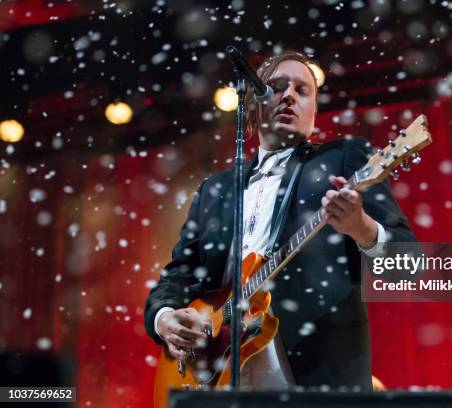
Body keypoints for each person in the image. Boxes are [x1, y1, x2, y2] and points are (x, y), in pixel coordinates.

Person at [144, 51, 417, 391]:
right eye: (275, 87)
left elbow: (408, 264)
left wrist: (360, 227)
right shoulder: (215, 190)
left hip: (317, 374)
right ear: (253, 105)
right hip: (218, 375)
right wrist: (165, 317)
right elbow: (179, 274)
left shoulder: (343, 159)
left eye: (302, 90)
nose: (288, 95)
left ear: (314, 111)